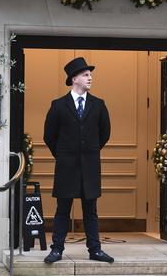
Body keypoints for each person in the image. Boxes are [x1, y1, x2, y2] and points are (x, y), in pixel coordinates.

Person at [42, 57, 114, 264]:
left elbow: (105, 133)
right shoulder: (58, 106)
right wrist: (64, 155)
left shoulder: (99, 105)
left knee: (90, 211)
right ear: (74, 78)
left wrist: (88, 152)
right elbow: (49, 136)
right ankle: (57, 250)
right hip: (66, 167)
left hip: (90, 166)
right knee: (62, 210)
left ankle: (95, 250)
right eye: (85, 74)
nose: (90, 77)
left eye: (90, 74)